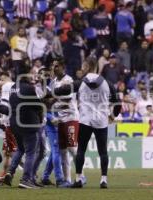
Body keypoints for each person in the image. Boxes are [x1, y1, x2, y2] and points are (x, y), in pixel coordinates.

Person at [54, 57, 121, 189]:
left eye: (83, 66)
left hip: (85, 120)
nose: (82, 68)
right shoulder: (108, 83)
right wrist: (112, 116)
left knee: (81, 150)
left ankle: (78, 179)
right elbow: (118, 104)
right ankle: (103, 180)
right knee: (103, 151)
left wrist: (57, 87)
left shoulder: (80, 83)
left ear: (88, 66)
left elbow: (60, 91)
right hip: (101, 120)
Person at [4, 64, 45, 189]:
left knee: (21, 149)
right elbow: (37, 105)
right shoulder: (28, 88)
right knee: (31, 152)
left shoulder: (13, 88)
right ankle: (26, 179)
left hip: (15, 124)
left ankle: (10, 172)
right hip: (28, 123)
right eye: (30, 73)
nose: (32, 75)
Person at [50, 58, 86, 184]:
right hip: (61, 119)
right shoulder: (54, 81)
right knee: (63, 151)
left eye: (57, 66)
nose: (54, 68)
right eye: (53, 66)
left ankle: (81, 175)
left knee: (72, 148)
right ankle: (67, 180)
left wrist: (52, 107)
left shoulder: (69, 80)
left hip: (71, 117)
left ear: (63, 67)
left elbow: (66, 102)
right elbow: (54, 99)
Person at [0, 72, 17, 186]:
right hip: (9, 125)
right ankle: (3, 177)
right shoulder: (13, 88)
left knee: (13, 153)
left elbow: (6, 107)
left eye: (2, 80)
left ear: (7, 79)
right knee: (7, 153)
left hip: (10, 125)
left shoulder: (8, 86)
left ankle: (29, 173)